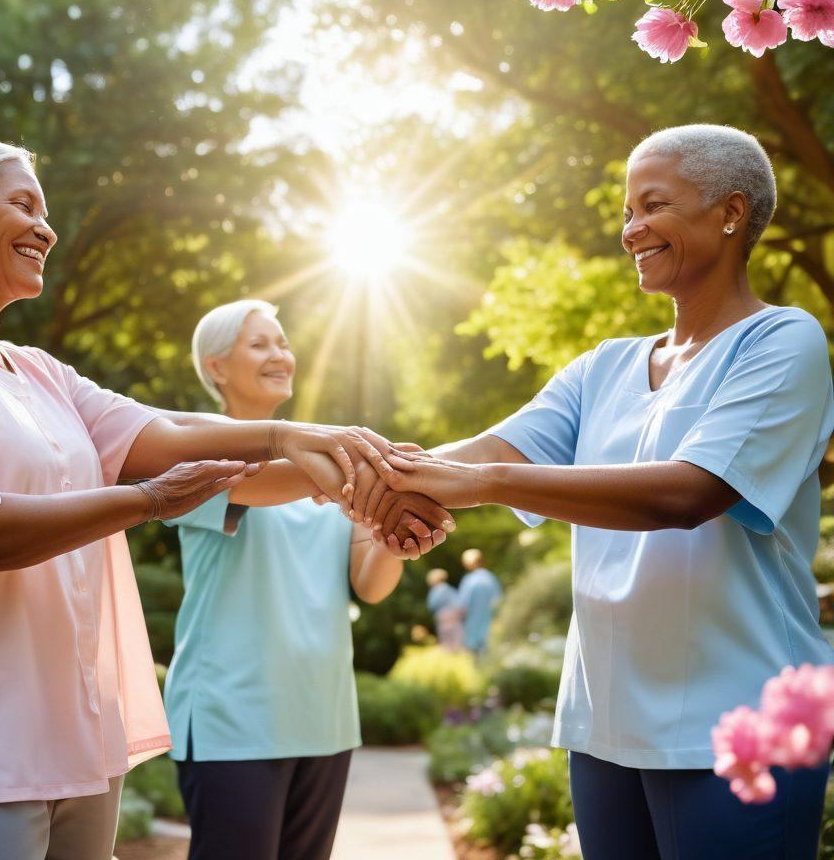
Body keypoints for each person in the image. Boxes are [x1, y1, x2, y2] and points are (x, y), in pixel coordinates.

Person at [0, 136, 442, 860]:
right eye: (23, 205)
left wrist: (308, 441)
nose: (46, 228)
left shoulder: (40, 372)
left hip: (72, 748)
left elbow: (170, 432)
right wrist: (146, 501)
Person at [351, 125, 834, 860]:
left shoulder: (783, 342)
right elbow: (484, 451)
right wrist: (370, 476)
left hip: (737, 725)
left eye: (653, 204)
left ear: (731, 213)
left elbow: (685, 496)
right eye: (626, 210)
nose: (630, 229)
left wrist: (474, 485)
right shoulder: (604, 366)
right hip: (604, 727)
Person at [163, 300, 448, 860]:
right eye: (260, 344)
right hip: (232, 717)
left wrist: (397, 533)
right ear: (215, 366)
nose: (280, 355)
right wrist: (366, 474)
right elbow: (259, 484)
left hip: (323, 716)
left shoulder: (327, 464)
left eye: (284, 343)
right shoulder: (199, 451)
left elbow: (369, 585)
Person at [458, 549, 502, 656]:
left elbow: (463, 603)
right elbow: (498, 599)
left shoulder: (469, 580)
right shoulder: (489, 577)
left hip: (472, 621)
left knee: (473, 652)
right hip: (489, 619)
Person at [426, 568, 464, 651]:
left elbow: (431, 606)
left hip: (442, 620)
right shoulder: (448, 589)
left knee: (446, 645)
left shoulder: (434, 591)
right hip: (454, 619)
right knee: (457, 643)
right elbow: (460, 604)